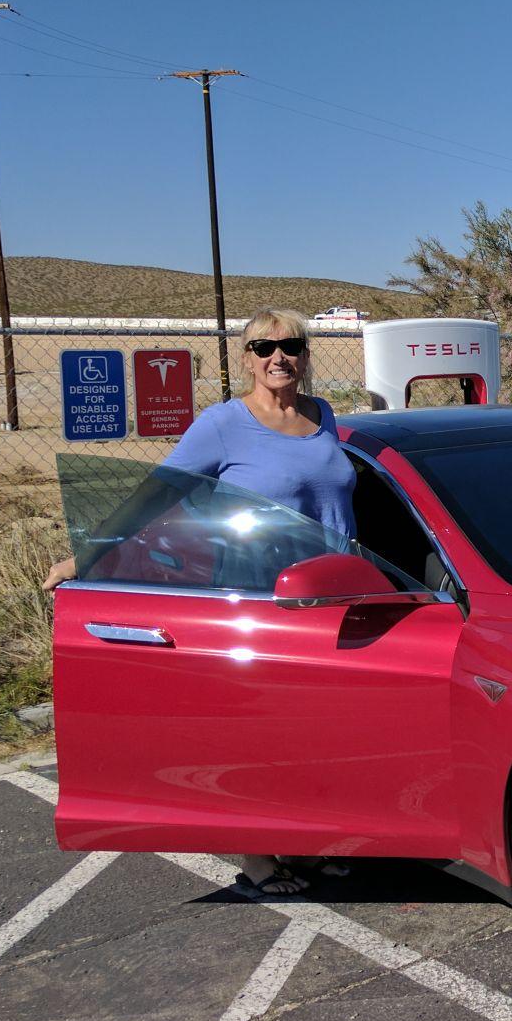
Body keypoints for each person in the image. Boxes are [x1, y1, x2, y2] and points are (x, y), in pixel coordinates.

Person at [44, 306, 354, 895]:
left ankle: (302, 845)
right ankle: (254, 854)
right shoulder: (223, 425)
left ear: (307, 354)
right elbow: (157, 495)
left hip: (330, 595)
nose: (277, 357)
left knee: (307, 728)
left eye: (289, 345)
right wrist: (87, 559)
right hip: (262, 599)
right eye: (263, 348)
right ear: (246, 359)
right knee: (256, 727)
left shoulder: (323, 417)